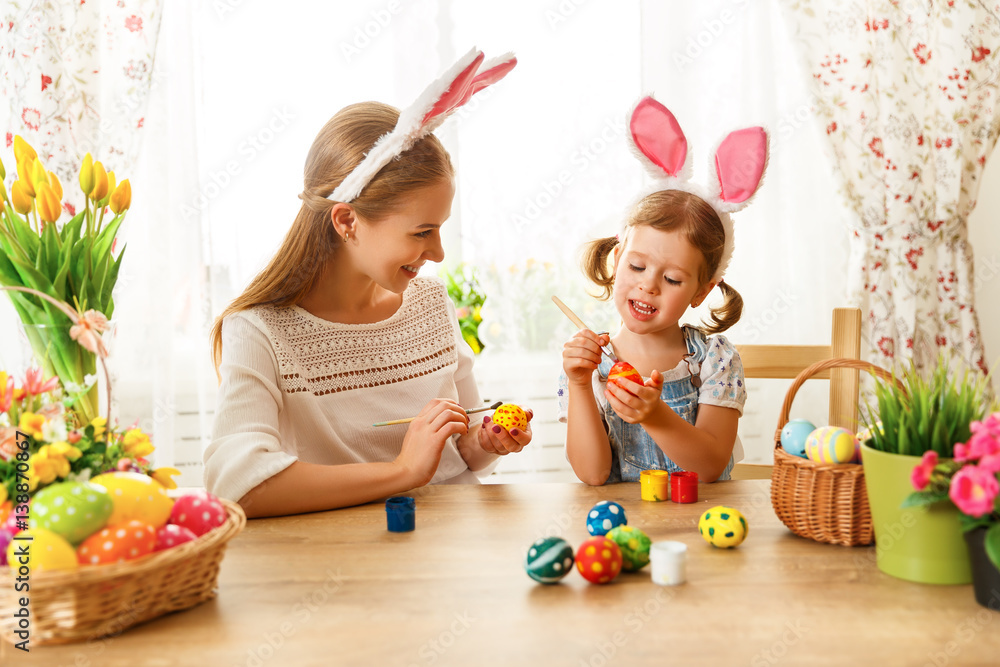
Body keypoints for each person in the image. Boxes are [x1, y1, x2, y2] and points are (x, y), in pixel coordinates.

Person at [205, 49, 531, 517]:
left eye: (440, 229)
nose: (438, 253)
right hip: (348, 560)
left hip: (454, 545)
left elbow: (462, 455)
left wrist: (488, 441)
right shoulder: (259, 331)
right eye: (422, 232)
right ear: (347, 221)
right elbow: (237, 485)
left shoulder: (430, 301)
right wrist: (402, 472)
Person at [558, 96, 769, 485]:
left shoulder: (714, 360)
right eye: (637, 266)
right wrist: (578, 384)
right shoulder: (589, 363)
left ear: (701, 292)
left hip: (703, 528)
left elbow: (709, 466)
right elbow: (592, 474)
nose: (648, 285)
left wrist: (654, 415)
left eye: (672, 279)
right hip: (623, 531)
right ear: (618, 258)